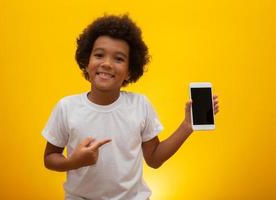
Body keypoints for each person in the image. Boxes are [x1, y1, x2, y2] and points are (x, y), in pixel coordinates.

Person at [42, 14, 219, 200]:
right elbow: (50, 157)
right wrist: (74, 162)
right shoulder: (67, 107)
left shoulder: (140, 105)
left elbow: (154, 159)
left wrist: (186, 126)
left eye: (118, 59)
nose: (107, 64)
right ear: (87, 61)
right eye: (99, 55)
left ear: (129, 71)